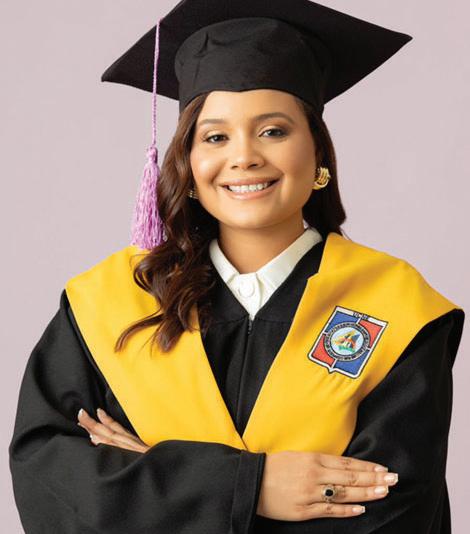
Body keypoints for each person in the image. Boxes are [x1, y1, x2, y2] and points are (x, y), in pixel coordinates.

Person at [9, 1, 465, 533]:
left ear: (317, 152)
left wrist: (156, 481)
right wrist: (252, 487)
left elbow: (395, 513)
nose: (244, 156)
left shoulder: (395, 306)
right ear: (188, 161)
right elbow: (50, 483)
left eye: (273, 131)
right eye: (215, 136)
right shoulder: (110, 302)